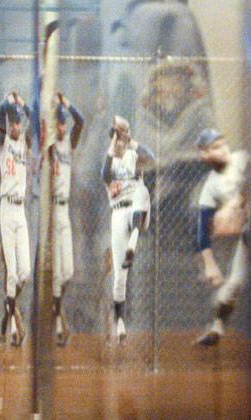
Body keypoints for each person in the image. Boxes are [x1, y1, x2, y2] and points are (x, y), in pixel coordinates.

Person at [192, 128, 250, 347]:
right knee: (231, 287)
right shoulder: (210, 186)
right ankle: (217, 328)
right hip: (249, 236)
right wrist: (209, 264)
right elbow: (202, 230)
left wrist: (236, 203)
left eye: (224, 143)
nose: (224, 149)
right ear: (204, 155)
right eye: (216, 147)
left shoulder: (242, 159)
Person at [101, 116, 155, 345]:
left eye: (122, 137)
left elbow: (152, 159)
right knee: (119, 276)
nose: (121, 142)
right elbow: (104, 174)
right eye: (117, 138)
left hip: (138, 209)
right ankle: (120, 323)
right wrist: (113, 145)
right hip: (118, 212)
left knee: (142, 192)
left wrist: (131, 141)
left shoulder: (134, 155)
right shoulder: (110, 162)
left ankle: (134, 241)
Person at [0, 91, 36, 347]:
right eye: (13, 123)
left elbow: (38, 125)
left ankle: (9, 305)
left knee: (25, 273)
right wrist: (7, 104)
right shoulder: (4, 143)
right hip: (6, 208)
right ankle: (9, 324)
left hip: (21, 210)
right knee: (12, 274)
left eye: (19, 122)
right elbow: (1, 117)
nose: (16, 126)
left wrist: (23, 105)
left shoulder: (24, 142)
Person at [46, 93, 84, 347]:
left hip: (66, 210)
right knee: (58, 272)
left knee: (67, 271)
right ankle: (56, 320)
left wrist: (66, 104)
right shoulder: (50, 147)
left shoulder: (68, 143)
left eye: (63, 123)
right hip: (52, 211)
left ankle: (55, 311)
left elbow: (80, 122)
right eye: (58, 123)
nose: (63, 126)